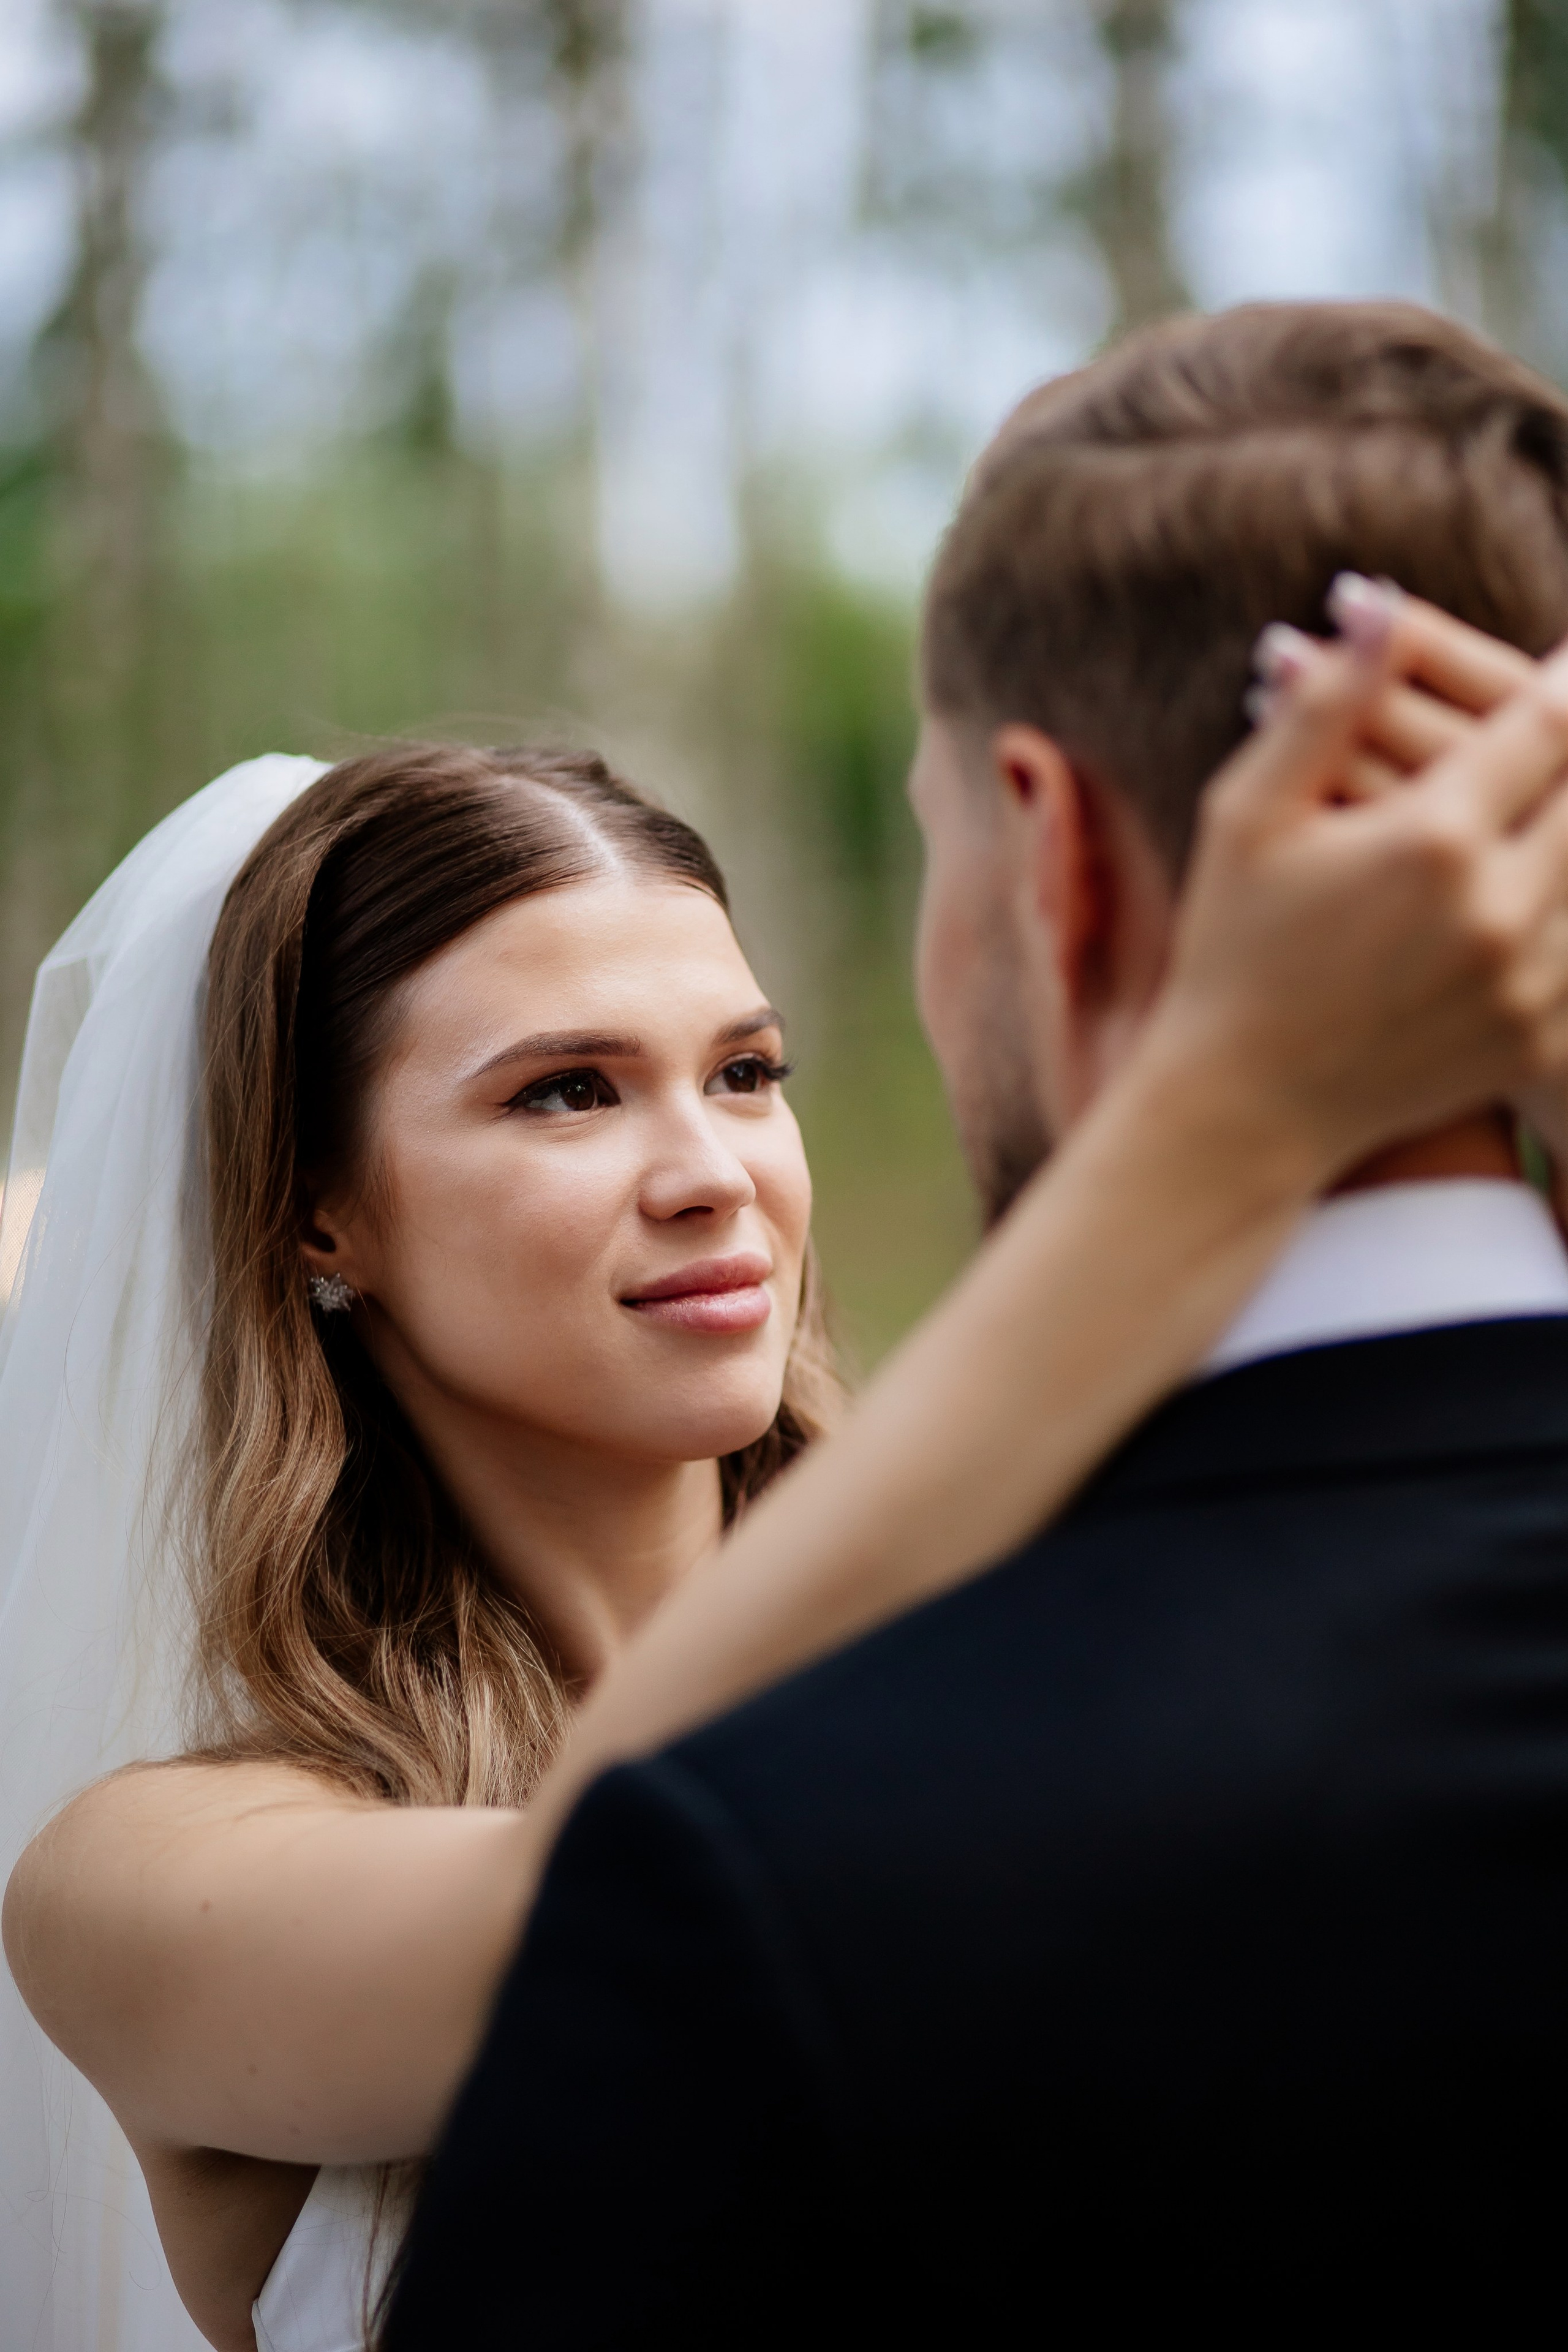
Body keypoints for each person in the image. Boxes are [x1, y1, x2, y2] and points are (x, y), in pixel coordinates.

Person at [4, 303, 1568, 2352]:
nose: (711, 1168)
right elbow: (620, 1910)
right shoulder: (147, 1875)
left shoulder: (1062, 1603)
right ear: (316, 1211)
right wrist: (1234, 1101)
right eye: (565, 1091)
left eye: (748, 1072)